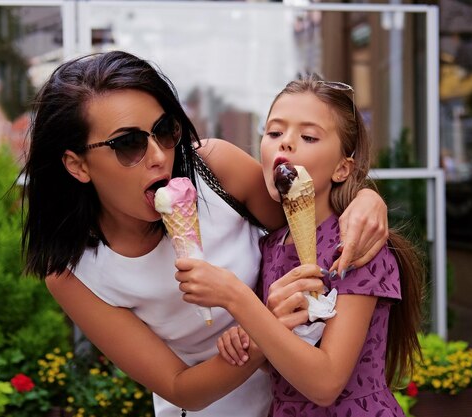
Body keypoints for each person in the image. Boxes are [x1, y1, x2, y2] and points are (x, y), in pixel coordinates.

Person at [21, 51, 389, 417]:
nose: (159, 156)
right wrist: (261, 328)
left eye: (165, 131)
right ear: (77, 164)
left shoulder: (217, 169)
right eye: (128, 143)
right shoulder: (74, 271)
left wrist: (366, 198)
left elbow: (309, 216)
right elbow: (182, 388)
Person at [175, 75, 425, 416]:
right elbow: (282, 361)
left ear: (342, 168)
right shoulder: (271, 246)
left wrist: (237, 298)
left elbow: (325, 383)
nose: (285, 144)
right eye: (274, 132)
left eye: (308, 136)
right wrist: (249, 342)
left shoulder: (357, 248)